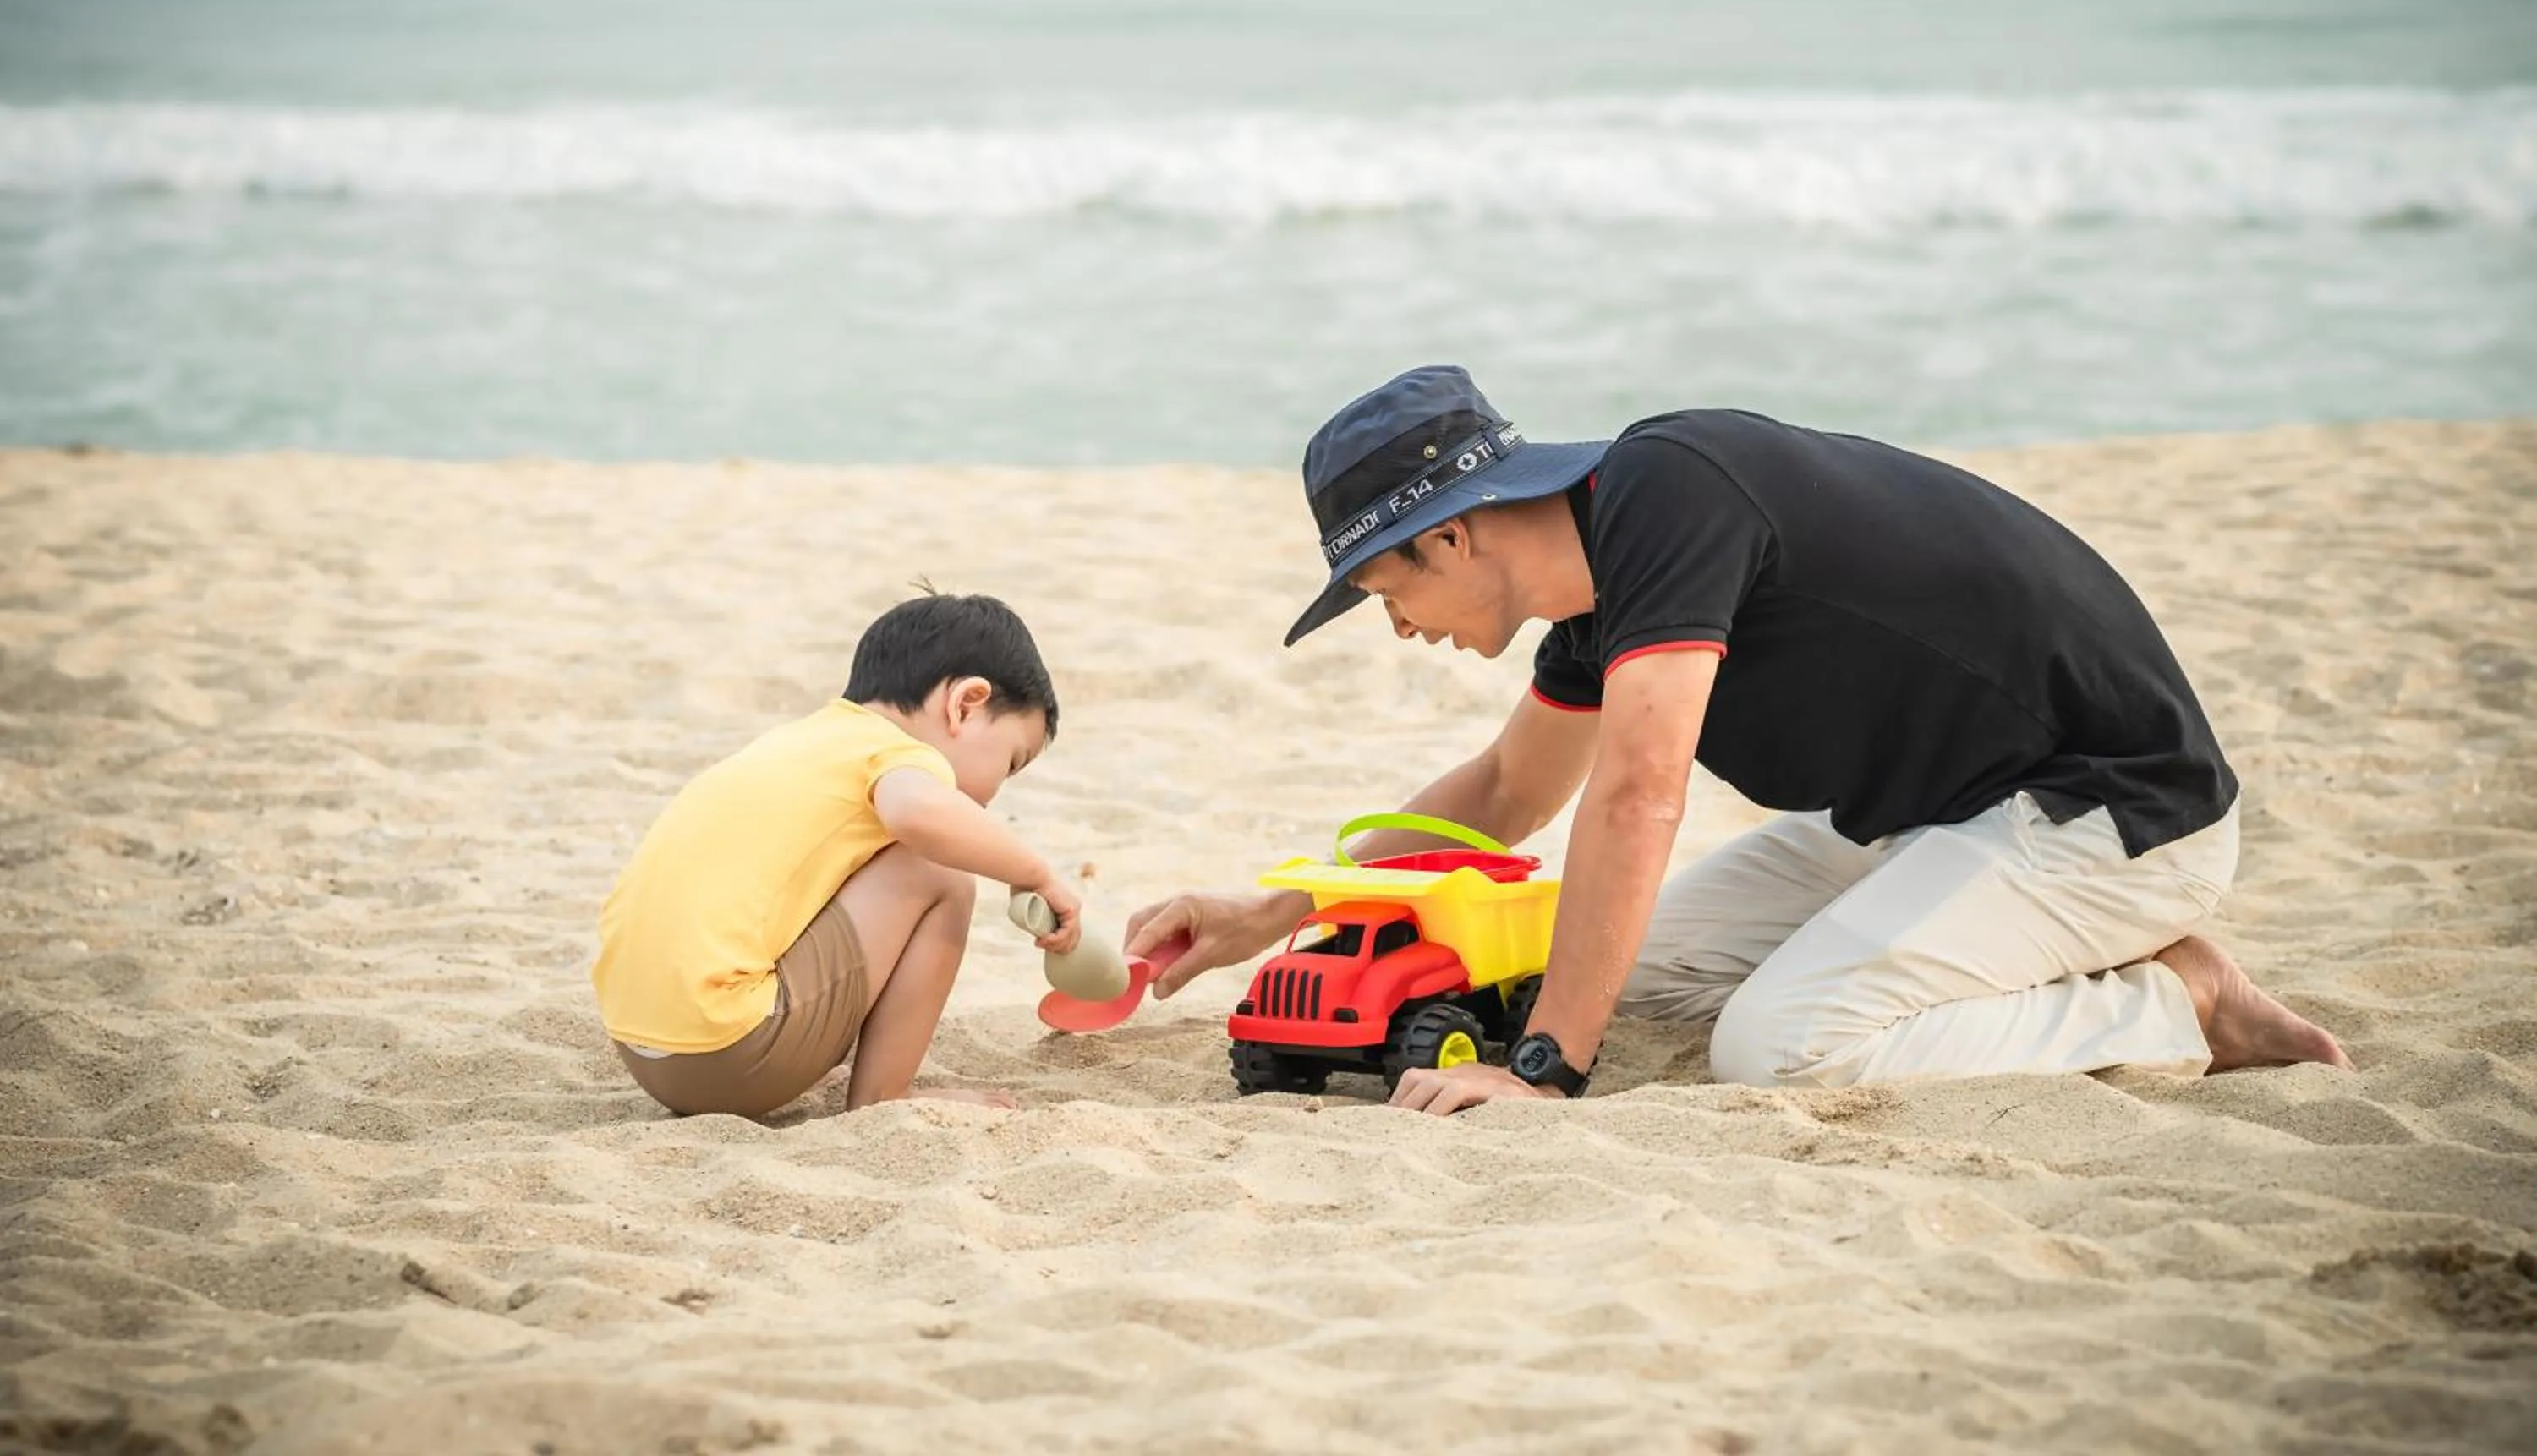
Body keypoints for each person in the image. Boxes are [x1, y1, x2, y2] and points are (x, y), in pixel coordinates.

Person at [1126, 366, 2349, 1115]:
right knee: (1602, 962)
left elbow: (1640, 795)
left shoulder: (1669, 495)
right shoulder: (1595, 584)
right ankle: (2013, 948)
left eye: (1384, 589)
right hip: (1921, 820)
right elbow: (1503, 793)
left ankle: (2181, 1003)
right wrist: (1272, 909)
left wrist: (1547, 1067)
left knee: (1782, 1052)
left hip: (2111, 811)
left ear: (1453, 537)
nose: (1394, 626)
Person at [594, 593, 1081, 1117]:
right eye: (1010, 762)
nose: (991, 797)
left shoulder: (805, 742)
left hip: (645, 1052)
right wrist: (1035, 872)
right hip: (727, 1054)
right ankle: (884, 1094)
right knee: (941, 870)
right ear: (965, 703)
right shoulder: (898, 755)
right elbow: (918, 815)